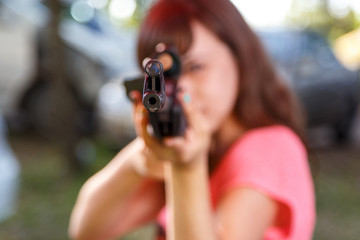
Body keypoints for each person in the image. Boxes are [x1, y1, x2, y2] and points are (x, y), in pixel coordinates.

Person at [68, 0, 316, 239]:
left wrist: (187, 166)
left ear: (240, 58)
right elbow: (86, 229)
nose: (182, 87)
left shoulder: (271, 146)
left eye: (196, 67)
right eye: (165, 78)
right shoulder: (202, 151)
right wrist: (141, 159)